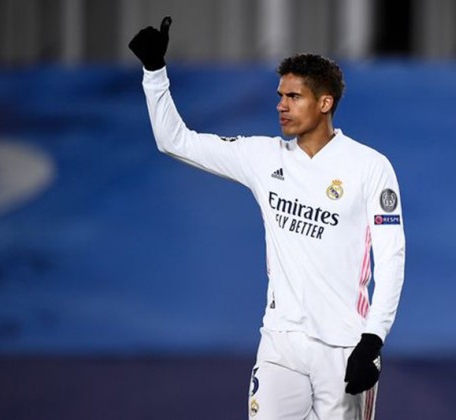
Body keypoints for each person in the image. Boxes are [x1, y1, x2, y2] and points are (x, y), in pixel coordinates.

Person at [129, 17, 406, 420]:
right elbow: (176, 141)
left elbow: (392, 257)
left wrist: (373, 339)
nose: (281, 105)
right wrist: (155, 73)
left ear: (324, 103)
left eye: (294, 96)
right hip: (280, 342)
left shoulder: (369, 167)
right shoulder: (263, 157)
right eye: (280, 96)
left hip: (344, 345)